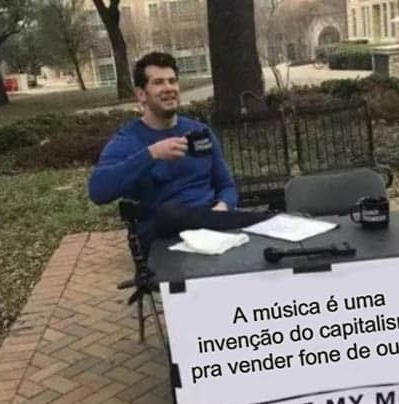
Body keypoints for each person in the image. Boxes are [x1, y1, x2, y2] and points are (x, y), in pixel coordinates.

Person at [88, 52, 270, 253]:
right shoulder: (128, 141)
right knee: (170, 213)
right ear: (141, 95)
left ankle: (268, 222)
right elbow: (98, 191)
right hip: (164, 239)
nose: (169, 88)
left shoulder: (200, 133)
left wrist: (223, 207)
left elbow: (226, 186)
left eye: (172, 81)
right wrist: (152, 154)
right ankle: (262, 220)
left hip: (212, 229)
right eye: (158, 83)